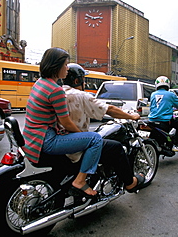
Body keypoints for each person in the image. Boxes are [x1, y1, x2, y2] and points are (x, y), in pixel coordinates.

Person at [22, 48, 102, 197]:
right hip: (46, 140)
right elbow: (65, 122)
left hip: (32, 137)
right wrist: (83, 137)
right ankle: (80, 181)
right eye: (65, 65)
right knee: (95, 139)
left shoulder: (40, 83)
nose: (67, 68)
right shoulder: (55, 90)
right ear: (56, 66)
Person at [62, 63, 145, 193]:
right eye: (83, 79)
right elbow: (109, 109)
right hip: (76, 146)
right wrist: (131, 116)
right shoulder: (80, 95)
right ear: (77, 80)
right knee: (116, 148)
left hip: (61, 141)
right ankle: (130, 183)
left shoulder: (58, 93)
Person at [148, 76, 178, 152]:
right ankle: (176, 144)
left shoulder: (153, 94)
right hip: (164, 120)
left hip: (151, 119)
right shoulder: (170, 94)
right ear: (168, 84)